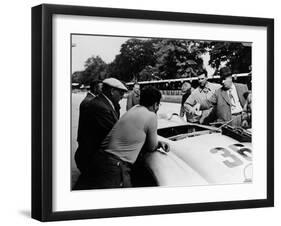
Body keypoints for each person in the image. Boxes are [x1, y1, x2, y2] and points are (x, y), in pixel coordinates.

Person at [85, 86, 170, 189]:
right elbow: (151, 147)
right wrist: (159, 144)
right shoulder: (151, 116)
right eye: (158, 104)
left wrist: (158, 143)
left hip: (100, 158)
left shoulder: (134, 108)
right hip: (116, 167)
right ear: (156, 104)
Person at [73, 78, 128, 190]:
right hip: (93, 162)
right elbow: (114, 135)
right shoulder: (101, 107)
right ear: (112, 91)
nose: (122, 96)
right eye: (121, 93)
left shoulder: (102, 103)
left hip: (91, 159)